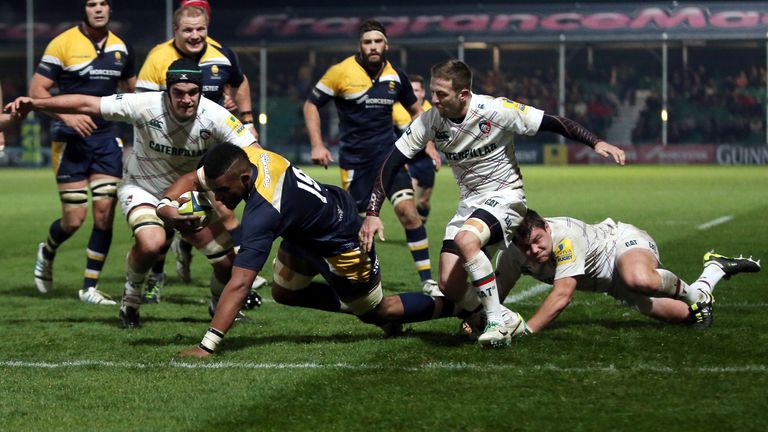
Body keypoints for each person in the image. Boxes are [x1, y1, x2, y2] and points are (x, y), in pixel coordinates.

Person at [158, 144, 525, 357]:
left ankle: (463, 307)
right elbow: (197, 178)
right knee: (285, 292)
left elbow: (239, 284)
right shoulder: (251, 156)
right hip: (306, 231)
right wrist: (166, 207)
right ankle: (354, 301)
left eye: (223, 192)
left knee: (378, 311)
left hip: (342, 241)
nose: (219, 200)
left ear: (244, 179)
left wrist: (207, 346)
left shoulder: (262, 213)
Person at [360, 59, 626, 348]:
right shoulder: (429, 120)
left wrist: (596, 142)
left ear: (463, 95)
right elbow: (391, 163)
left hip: (507, 199)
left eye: (440, 94)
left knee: (466, 239)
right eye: (432, 92)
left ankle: (496, 320)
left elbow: (552, 122)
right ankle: (501, 316)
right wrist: (373, 212)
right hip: (470, 204)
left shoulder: (495, 110)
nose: (432, 100)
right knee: (450, 286)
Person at [8, 59, 259, 328]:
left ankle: (216, 306)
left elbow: (255, 151)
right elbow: (87, 104)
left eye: (193, 93)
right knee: (151, 243)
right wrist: (36, 103)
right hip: (143, 189)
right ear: (167, 91)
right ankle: (130, 301)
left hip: (188, 195)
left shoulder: (216, 116)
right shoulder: (144, 105)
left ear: (200, 91)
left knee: (225, 264)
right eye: (178, 93)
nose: (186, 99)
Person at [303, 20, 440, 297]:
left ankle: (428, 281)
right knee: (357, 228)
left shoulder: (396, 76)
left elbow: (417, 111)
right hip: (356, 165)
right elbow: (311, 104)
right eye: (368, 42)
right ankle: (365, 283)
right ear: (360, 45)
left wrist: (429, 145)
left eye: (378, 41)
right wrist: (317, 144)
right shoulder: (340, 72)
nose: (373, 47)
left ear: (386, 44)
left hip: (389, 159)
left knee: (409, 214)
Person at [136, 1, 259, 300]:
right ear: (175, 30)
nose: (195, 35)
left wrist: (245, 117)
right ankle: (158, 275)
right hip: (168, 153)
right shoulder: (158, 58)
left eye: (200, 29)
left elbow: (239, 83)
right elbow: (143, 105)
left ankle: (242, 279)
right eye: (188, 30)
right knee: (167, 217)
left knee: (223, 209)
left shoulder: (222, 54)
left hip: (210, 146)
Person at [494, 209, 761, 332]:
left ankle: (698, 295)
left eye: (538, 241)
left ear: (547, 228)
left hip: (619, 244)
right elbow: (496, 294)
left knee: (639, 279)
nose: (534, 251)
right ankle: (714, 270)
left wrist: (526, 330)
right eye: (526, 248)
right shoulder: (511, 255)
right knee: (688, 318)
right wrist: (480, 321)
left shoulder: (565, 237)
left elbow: (563, 294)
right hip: (608, 283)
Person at [30, 0, 136, 304]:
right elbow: (37, 91)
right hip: (69, 141)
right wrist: (67, 115)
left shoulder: (122, 48)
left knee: (104, 215)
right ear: (84, 9)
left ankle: (89, 287)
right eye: (92, 4)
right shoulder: (62, 43)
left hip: (106, 140)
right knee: (74, 220)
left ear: (111, 9)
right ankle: (47, 250)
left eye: (103, 3)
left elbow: (132, 91)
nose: (98, 9)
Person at [392, 74, 441, 224]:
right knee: (410, 201)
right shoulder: (396, 109)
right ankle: (416, 232)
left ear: (423, 92)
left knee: (423, 201)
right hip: (407, 161)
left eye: (417, 90)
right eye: (411, 90)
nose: (414, 94)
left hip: (425, 162)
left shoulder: (432, 110)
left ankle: (421, 225)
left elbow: (433, 134)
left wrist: (432, 148)